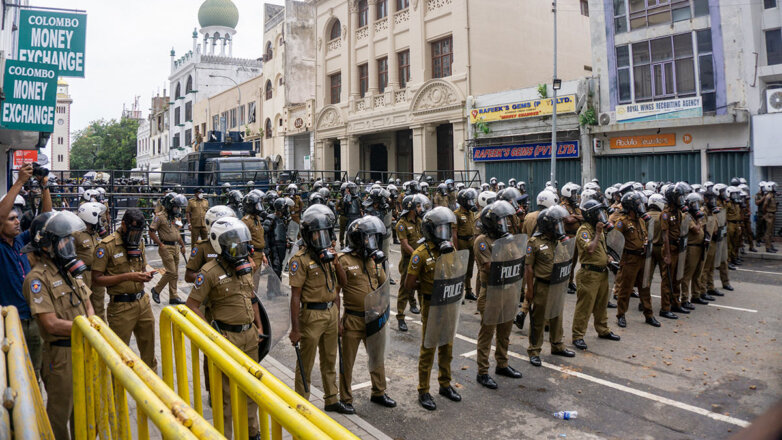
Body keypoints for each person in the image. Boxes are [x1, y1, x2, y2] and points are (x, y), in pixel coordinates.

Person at [185, 217, 262, 439]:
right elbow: (191, 305)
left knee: (252, 388)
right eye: (233, 242)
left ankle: (251, 431)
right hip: (226, 336)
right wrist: (213, 332)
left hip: (249, 335)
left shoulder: (245, 267)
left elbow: (251, 297)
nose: (240, 247)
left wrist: (257, 327)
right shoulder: (209, 272)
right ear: (220, 243)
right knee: (225, 395)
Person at [23, 211, 94, 440]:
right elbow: (51, 324)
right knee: (59, 413)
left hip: (83, 347)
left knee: (85, 409)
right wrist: (87, 327)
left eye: (69, 239)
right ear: (46, 244)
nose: (69, 244)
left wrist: (90, 324)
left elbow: (87, 302)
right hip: (61, 355)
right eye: (63, 240)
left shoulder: (69, 270)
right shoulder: (37, 279)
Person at [288, 205, 352, 414]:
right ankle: (301, 403)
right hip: (311, 315)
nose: (321, 238)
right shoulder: (300, 260)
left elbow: (342, 284)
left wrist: (337, 263)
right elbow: (295, 297)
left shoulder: (329, 256)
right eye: (316, 234)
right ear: (308, 236)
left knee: (330, 359)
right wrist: (295, 329)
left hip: (331, 312)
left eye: (324, 233)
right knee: (305, 363)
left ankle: (331, 399)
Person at [335, 216, 396, 411]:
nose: (371, 242)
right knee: (347, 361)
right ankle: (345, 398)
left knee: (377, 357)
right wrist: (337, 321)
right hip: (352, 319)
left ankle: (379, 392)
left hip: (373, 317)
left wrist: (382, 310)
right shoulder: (343, 260)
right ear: (358, 239)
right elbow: (335, 293)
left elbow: (383, 286)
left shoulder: (374, 260)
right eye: (367, 238)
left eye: (373, 238)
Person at [406, 206, 462, 411]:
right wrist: (426, 286)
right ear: (430, 230)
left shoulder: (450, 249)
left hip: (448, 301)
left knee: (447, 346)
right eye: (440, 229)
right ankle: (423, 390)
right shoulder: (420, 254)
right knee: (428, 348)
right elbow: (408, 284)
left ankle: (445, 384)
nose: (444, 233)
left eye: (446, 229)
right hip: (430, 305)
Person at [0, 163, 51, 379]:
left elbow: (45, 218)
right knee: (15, 373)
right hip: (11, 320)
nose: (17, 222)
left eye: (17, 218)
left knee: (34, 373)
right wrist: (20, 182)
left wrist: (44, 186)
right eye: (11, 219)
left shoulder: (21, 241)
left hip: (33, 316)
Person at [92, 209, 158, 370]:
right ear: (123, 224)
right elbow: (96, 279)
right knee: (119, 357)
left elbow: (142, 266)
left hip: (143, 302)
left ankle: (151, 391)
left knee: (149, 352)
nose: (135, 234)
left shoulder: (139, 242)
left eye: (139, 231)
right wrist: (128, 277)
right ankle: (116, 393)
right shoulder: (106, 246)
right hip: (121, 307)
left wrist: (146, 273)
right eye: (133, 230)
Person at [473, 201, 523, 390]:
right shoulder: (482, 241)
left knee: (505, 332)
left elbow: (518, 259)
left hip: (509, 289)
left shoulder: (507, 239)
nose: (504, 224)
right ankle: (483, 372)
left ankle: (502, 364)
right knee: (487, 334)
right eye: (500, 221)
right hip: (491, 291)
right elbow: (490, 267)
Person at [524, 206, 576, 367]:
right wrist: (530, 291)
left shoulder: (559, 241)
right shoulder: (534, 242)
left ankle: (557, 345)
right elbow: (529, 268)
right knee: (538, 320)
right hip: (542, 286)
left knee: (556, 316)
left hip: (557, 285)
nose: (559, 228)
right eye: (556, 225)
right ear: (547, 226)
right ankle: (534, 350)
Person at [571, 199, 621, 351]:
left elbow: (600, 250)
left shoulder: (598, 229)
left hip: (602, 272)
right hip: (589, 274)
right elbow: (590, 249)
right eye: (598, 213)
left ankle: (602, 329)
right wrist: (598, 233)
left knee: (601, 304)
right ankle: (578, 336)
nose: (601, 216)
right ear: (591, 215)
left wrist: (608, 258)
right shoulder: (584, 230)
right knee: (584, 307)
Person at [612, 192, 658, 328]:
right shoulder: (622, 222)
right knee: (625, 289)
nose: (641, 207)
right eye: (638, 205)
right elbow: (615, 242)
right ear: (631, 207)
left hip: (642, 258)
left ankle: (649, 315)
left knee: (645, 287)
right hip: (629, 259)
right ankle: (621, 315)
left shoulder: (641, 220)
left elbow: (645, 235)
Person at [514, 189, 559, 329]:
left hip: (530, 252)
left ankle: (523, 311)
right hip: (543, 254)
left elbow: (523, 234)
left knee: (530, 284)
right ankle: (544, 322)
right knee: (542, 288)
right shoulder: (549, 218)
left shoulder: (528, 216)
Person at [660, 183, 691, 317]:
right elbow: (664, 235)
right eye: (679, 197)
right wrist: (667, 254)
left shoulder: (678, 212)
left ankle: (675, 303)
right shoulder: (665, 214)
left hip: (678, 248)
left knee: (677, 278)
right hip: (670, 249)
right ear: (673, 198)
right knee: (667, 280)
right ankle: (665, 308)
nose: (682, 200)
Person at [149, 193, 187, 305]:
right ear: (170, 206)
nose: (177, 209)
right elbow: (151, 232)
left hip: (175, 246)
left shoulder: (174, 217)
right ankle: (156, 290)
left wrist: (182, 245)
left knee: (175, 273)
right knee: (170, 271)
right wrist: (160, 244)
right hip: (166, 247)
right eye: (176, 207)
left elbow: (176, 233)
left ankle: (173, 296)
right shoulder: (159, 217)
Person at [395, 195, 425, 331]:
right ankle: (400, 317)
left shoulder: (420, 221)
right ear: (411, 208)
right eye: (418, 206)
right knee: (405, 289)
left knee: (421, 288)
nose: (420, 208)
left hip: (421, 260)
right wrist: (416, 256)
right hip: (409, 262)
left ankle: (425, 316)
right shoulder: (401, 224)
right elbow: (405, 244)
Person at [74, 202, 109, 321]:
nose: (101, 220)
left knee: (99, 305)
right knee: (84, 305)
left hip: (96, 273)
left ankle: (102, 333)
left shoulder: (95, 233)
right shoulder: (76, 234)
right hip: (83, 275)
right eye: (98, 217)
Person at [679, 193, 711, 308]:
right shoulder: (687, 216)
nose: (696, 206)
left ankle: (696, 295)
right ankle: (684, 298)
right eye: (694, 203)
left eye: (697, 203)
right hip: (691, 247)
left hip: (700, 246)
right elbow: (696, 230)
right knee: (688, 274)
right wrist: (699, 220)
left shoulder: (694, 216)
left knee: (698, 273)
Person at [455, 189, 479, 301]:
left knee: (469, 268)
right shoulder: (456, 214)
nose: (470, 203)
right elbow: (454, 234)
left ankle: (468, 291)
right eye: (468, 201)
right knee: (461, 268)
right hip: (461, 242)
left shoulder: (471, 213)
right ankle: (458, 293)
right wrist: (456, 249)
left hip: (471, 241)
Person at [561, 183, 583, 294]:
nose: (575, 195)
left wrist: (574, 216)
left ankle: (570, 281)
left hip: (576, 236)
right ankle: (565, 283)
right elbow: (568, 220)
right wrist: (576, 217)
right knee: (568, 261)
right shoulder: (563, 206)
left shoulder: (575, 206)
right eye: (573, 193)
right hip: (568, 236)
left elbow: (582, 216)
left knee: (574, 261)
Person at [241, 191, 269, 270]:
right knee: (252, 281)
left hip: (259, 254)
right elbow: (243, 243)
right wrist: (249, 259)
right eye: (256, 205)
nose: (258, 207)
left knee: (257, 280)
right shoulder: (246, 221)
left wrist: (263, 254)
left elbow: (259, 238)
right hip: (252, 256)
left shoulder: (257, 219)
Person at [759, 182, 778, 253]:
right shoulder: (768, 196)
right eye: (773, 187)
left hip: (772, 214)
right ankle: (768, 247)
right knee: (768, 232)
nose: (775, 188)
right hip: (769, 215)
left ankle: (770, 246)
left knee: (771, 232)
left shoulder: (772, 195)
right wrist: (766, 213)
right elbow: (764, 205)